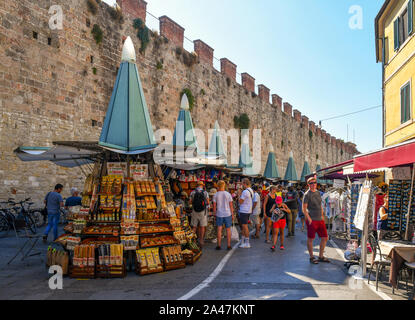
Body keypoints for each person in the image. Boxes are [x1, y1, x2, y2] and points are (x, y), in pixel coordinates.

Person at [303, 176, 330, 264]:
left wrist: (322, 215)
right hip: (312, 220)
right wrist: (309, 219)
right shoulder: (307, 194)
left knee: (325, 237)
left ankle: (321, 256)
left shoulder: (318, 193)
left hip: (320, 219)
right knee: (311, 239)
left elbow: (320, 205)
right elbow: (304, 209)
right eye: (311, 183)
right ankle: (311, 257)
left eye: (315, 183)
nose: (313, 184)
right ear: (308, 184)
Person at [212, 180, 234, 250]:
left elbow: (214, 207)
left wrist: (214, 214)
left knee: (219, 229)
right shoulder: (228, 194)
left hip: (219, 214)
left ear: (218, 186)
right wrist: (232, 214)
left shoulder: (216, 195)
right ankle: (229, 245)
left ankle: (218, 245)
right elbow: (231, 206)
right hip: (228, 213)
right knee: (228, 229)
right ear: (224, 185)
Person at [189, 181, 210, 247]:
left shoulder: (193, 192)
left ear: (197, 185)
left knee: (194, 226)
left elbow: (190, 202)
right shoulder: (205, 192)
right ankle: (201, 240)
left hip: (194, 211)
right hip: (203, 212)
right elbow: (208, 202)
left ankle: (192, 241)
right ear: (202, 186)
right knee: (202, 226)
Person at [238, 178, 254, 249]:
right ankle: (243, 241)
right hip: (247, 210)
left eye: (242, 184)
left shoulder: (245, 192)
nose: (241, 185)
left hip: (244, 210)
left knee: (244, 226)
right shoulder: (250, 190)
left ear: (244, 183)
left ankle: (247, 243)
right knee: (244, 226)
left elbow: (240, 202)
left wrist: (239, 194)